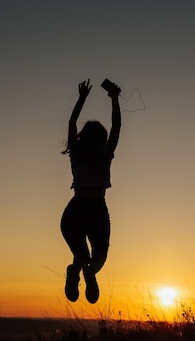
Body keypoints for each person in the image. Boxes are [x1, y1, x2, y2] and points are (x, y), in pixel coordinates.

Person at [60, 78, 121, 303]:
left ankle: (74, 271)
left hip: (74, 210)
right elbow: (116, 127)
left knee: (80, 255)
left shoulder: (75, 151)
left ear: (82, 137)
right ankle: (89, 272)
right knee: (99, 256)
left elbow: (72, 122)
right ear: (102, 139)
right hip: (96, 208)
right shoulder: (105, 153)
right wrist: (114, 99)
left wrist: (82, 97)